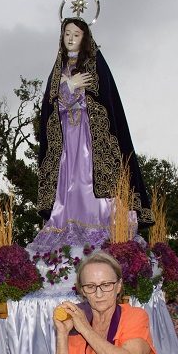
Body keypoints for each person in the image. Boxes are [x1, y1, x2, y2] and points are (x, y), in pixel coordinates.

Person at [37, 17, 154, 229]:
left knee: (87, 177)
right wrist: (70, 85)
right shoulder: (57, 70)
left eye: (76, 34)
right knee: (68, 180)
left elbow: (101, 99)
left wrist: (71, 91)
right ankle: (65, 225)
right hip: (65, 139)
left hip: (90, 138)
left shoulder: (95, 63)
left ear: (84, 38)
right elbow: (49, 106)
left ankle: (100, 224)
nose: (71, 38)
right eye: (67, 34)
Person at [53, 251, 156, 354]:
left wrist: (85, 329)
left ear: (118, 286)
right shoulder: (74, 323)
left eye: (106, 285)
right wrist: (62, 334)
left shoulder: (135, 316)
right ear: (83, 291)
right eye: (90, 286)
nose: (99, 294)